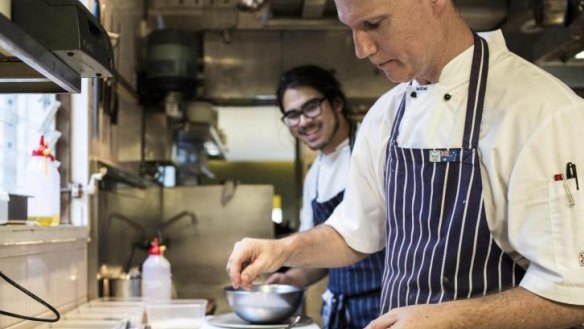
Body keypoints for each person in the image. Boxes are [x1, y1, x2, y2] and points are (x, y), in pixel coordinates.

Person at [227, 0, 584, 328]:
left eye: (375, 23)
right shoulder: (387, 114)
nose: (361, 49)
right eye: (351, 28)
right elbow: (355, 232)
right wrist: (282, 250)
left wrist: (448, 320)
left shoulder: (543, 111)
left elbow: (572, 296)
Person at [266, 65, 385, 329]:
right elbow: (321, 256)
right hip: (340, 311)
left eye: (311, 107)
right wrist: (292, 279)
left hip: (386, 306)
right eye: (292, 115)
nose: (303, 121)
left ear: (336, 103)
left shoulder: (374, 148)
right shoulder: (315, 176)